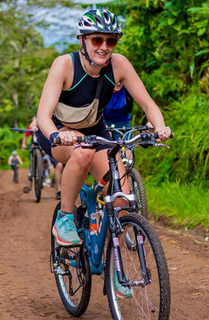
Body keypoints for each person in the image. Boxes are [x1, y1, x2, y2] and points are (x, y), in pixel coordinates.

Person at [36, 8, 171, 248]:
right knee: (82, 151)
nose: (104, 46)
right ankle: (65, 217)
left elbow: (148, 104)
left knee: (122, 200)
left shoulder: (119, 64)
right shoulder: (64, 65)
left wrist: (159, 127)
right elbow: (43, 116)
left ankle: (119, 276)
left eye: (111, 40)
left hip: (96, 131)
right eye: (97, 39)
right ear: (82, 40)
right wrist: (58, 135)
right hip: (58, 132)